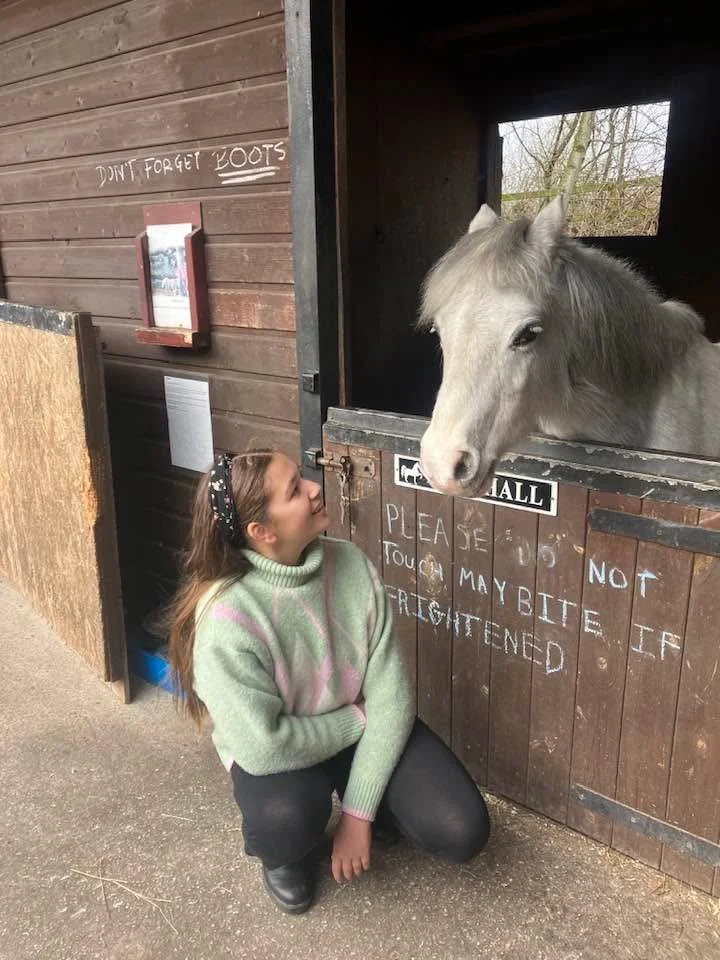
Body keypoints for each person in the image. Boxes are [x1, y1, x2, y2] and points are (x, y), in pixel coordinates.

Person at [164, 448, 490, 914]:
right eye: (295, 490)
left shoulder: (351, 565)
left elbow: (392, 697)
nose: (315, 488)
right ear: (263, 532)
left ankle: (374, 806)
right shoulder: (226, 619)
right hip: (287, 748)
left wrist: (357, 814)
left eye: (303, 478)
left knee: (461, 827)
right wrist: (356, 718)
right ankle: (281, 857)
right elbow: (264, 746)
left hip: (350, 723)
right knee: (286, 818)